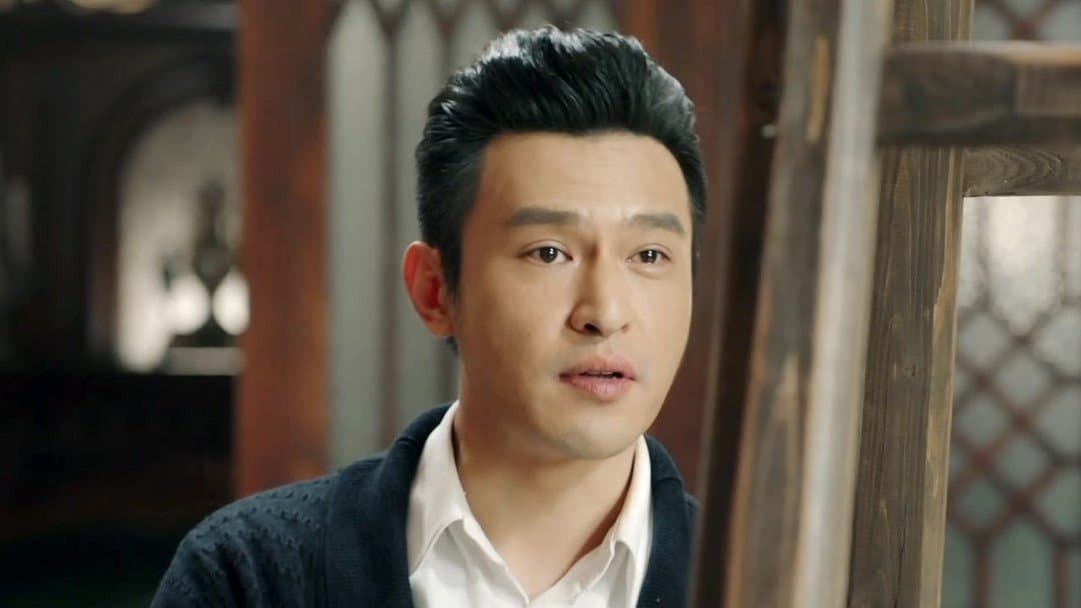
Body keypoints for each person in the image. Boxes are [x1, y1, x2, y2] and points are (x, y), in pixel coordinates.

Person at [151, 25, 706, 608]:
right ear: (435, 292)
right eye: (549, 253)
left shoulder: (755, 579)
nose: (605, 313)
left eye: (649, 256)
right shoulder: (247, 575)